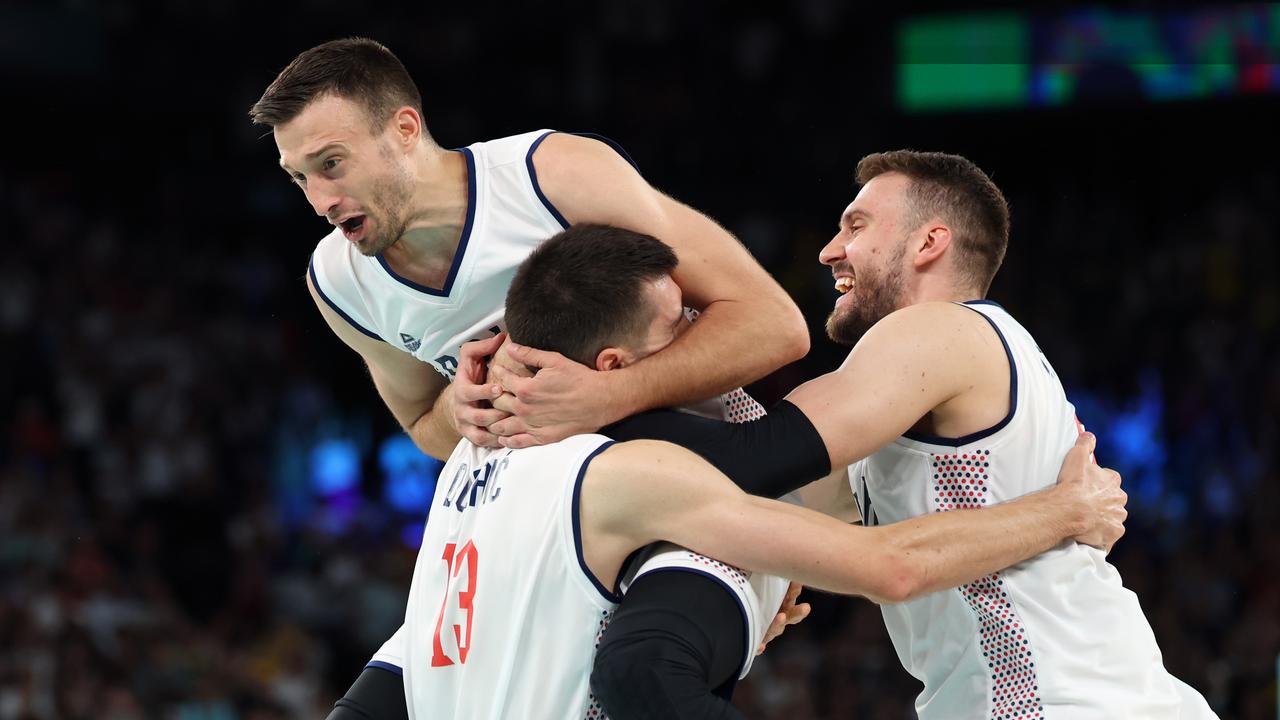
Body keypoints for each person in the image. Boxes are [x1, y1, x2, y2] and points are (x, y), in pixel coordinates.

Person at [248, 37, 807, 718]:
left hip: (689, 484)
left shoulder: (550, 176)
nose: (320, 200)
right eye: (299, 177)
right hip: (530, 525)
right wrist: (463, 407)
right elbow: (426, 426)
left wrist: (610, 394)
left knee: (644, 680)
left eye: (331, 164)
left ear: (403, 130)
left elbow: (775, 325)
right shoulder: (339, 280)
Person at [398, 222, 1127, 719]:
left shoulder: (468, 466)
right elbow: (884, 565)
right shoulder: (637, 473)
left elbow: (385, 685)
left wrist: (733, 617)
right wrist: (1065, 510)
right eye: (680, 320)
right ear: (614, 368)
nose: (699, 330)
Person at [765, 150, 1215, 718]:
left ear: (929, 243)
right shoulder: (973, 367)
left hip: (1054, 703)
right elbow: (769, 501)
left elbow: (764, 455)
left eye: (856, 225)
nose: (830, 250)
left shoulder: (939, 329)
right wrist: (760, 576)